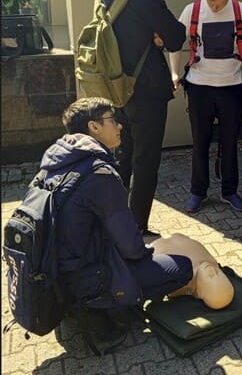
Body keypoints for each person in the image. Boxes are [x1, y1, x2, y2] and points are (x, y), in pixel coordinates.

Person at [42, 97, 193, 344]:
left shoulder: (54, 162)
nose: (120, 125)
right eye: (113, 120)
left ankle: (84, 302)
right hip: (85, 275)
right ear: (94, 127)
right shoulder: (99, 174)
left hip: (55, 273)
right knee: (182, 267)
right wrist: (148, 255)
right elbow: (132, 248)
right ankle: (103, 304)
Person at [96, 0, 186, 237]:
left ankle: (115, 223)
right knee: (145, 162)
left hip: (117, 88)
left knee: (122, 158)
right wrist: (159, 36)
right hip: (146, 90)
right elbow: (176, 36)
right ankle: (136, 229)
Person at [169, 0, 242, 213]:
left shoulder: (241, 10)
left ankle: (230, 191)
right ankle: (198, 192)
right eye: (211, 2)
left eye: (219, 3)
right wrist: (174, 73)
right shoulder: (192, 10)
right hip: (199, 87)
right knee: (200, 142)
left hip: (231, 88)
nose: (214, 7)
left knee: (230, 142)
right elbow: (174, 43)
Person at [149, 234, 234, 309]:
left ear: (201, 294)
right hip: (179, 237)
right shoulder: (212, 263)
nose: (212, 269)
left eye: (211, 276)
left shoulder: (180, 282)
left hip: (154, 246)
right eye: (219, 272)